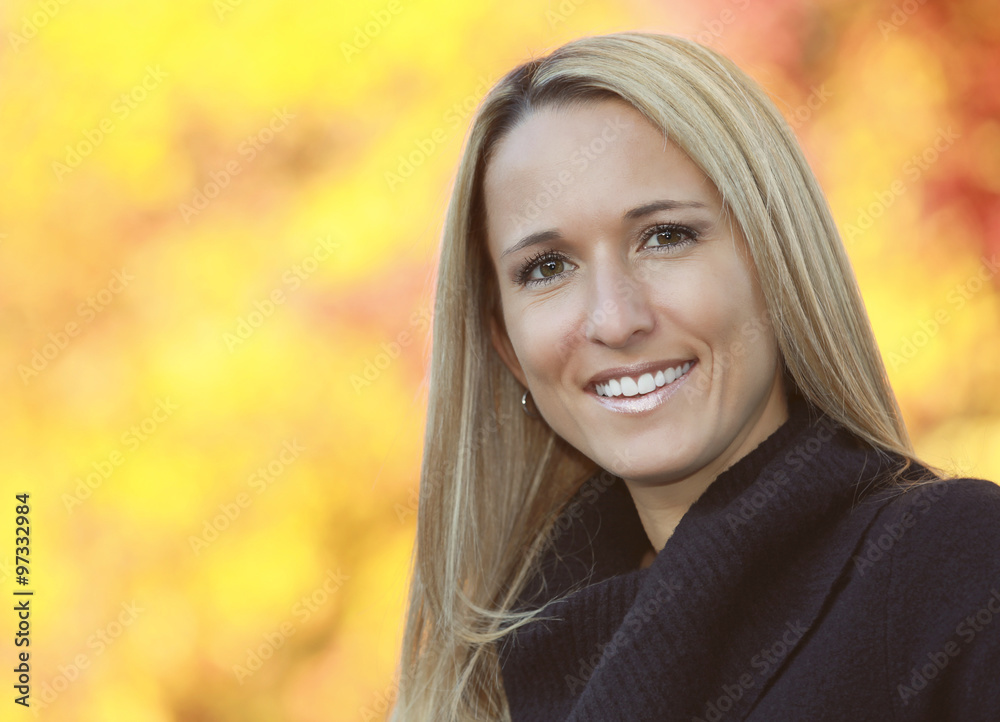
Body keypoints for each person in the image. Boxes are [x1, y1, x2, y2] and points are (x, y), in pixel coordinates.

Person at [390, 32, 1000, 721]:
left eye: (666, 236)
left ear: (778, 260)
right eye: (548, 268)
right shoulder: (488, 681)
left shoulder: (958, 571)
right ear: (505, 343)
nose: (615, 319)